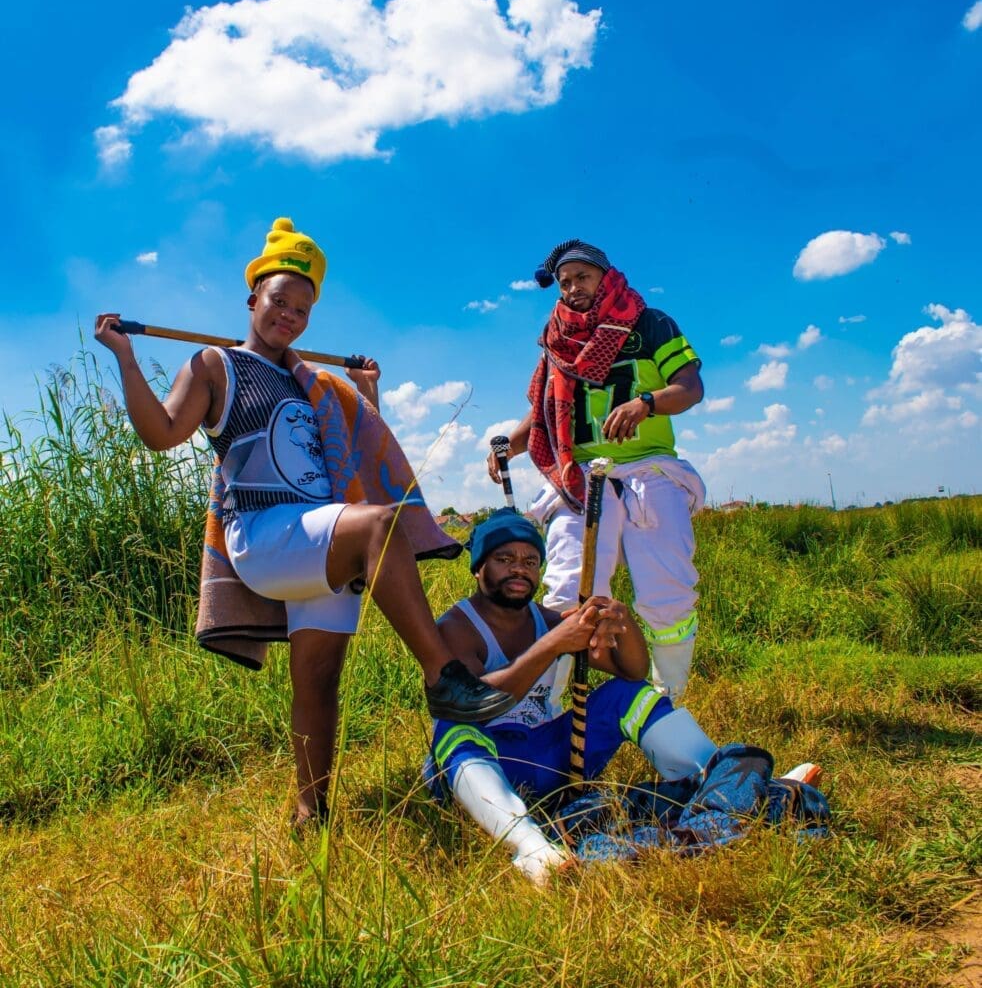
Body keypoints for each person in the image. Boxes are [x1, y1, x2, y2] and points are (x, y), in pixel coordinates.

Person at [96, 216, 514, 829]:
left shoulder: (312, 383)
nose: (288, 316)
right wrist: (126, 359)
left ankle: (310, 812)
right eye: (278, 301)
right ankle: (442, 673)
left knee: (318, 679)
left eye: (302, 309)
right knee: (378, 526)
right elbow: (160, 433)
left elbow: (355, 452)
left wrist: (366, 392)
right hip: (264, 534)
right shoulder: (215, 365)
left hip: (322, 537)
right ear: (253, 299)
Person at [424, 511, 823, 885]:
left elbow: (631, 672)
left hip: (548, 758)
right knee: (454, 727)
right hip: (485, 770)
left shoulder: (545, 620)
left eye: (530, 561)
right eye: (504, 559)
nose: (519, 569)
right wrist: (552, 645)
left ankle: (730, 782)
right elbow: (475, 701)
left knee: (626, 695)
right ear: (478, 568)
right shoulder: (457, 627)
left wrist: (621, 621)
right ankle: (529, 846)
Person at [488, 239, 707, 702]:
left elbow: (690, 387)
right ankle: (546, 704)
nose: (572, 288)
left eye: (582, 277)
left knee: (666, 590)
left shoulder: (649, 323)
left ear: (606, 278)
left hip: (650, 469)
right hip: (581, 476)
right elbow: (544, 412)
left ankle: (668, 696)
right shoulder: (556, 338)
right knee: (568, 589)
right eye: (564, 282)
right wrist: (510, 445)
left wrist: (646, 403)